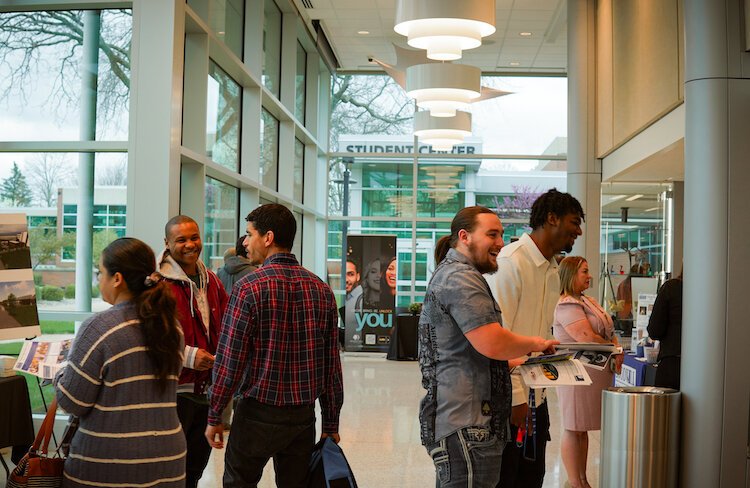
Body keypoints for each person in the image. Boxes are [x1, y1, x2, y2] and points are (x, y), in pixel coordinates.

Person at [205, 203, 343, 487]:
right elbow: (331, 366)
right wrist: (331, 422)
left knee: (238, 483)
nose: (245, 242)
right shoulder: (322, 290)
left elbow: (230, 360)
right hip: (302, 419)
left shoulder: (249, 288)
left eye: (249, 234)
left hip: (256, 415)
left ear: (267, 238)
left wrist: (215, 412)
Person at [419, 206, 558, 488]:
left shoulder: (459, 274)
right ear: (464, 237)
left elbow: (459, 352)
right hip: (467, 425)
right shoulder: (460, 278)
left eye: (501, 235)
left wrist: (513, 364)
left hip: (465, 424)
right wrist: (537, 344)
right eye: (492, 234)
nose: (500, 243)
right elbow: (493, 341)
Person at [55, 238, 185, 487]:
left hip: (110, 462)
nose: (98, 280)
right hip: (168, 459)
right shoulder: (171, 327)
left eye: (100, 273)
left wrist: (60, 372)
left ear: (117, 278)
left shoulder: (99, 327)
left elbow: (73, 401)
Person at [483, 188, 584, 488]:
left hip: (536, 396)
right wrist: (515, 401)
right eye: (574, 222)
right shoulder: (511, 264)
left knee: (532, 478)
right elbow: (497, 340)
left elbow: (538, 336)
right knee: (506, 479)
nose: (578, 231)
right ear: (551, 219)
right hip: (508, 401)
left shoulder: (552, 271)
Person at [159, 215, 229, 488]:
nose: (190, 244)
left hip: (207, 392)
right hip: (174, 394)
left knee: (195, 470)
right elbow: (151, 339)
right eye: (181, 240)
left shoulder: (211, 279)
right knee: (171, 472)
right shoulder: (157, 284)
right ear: (167, 243)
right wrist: (188, 356)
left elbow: (225, 326)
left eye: (194, 237)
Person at [552, 256, 623, 488]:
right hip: (576, 373)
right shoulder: (567, 304)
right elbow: (585, 337)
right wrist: (613, 349)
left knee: (582, 429)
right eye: (584, 271)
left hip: (594, 372)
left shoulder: (587, 300)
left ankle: (582, 480)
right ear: (571, 275)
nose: (589, 275)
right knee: (573, 427)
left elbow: (609, 330)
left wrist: (616, 347)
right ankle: (575, 482)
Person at [647, 268, 683, 389]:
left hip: (672, 365)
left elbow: (654, 330)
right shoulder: (712, 291)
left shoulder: (671, 288)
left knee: (666, 407)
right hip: (705, 368)